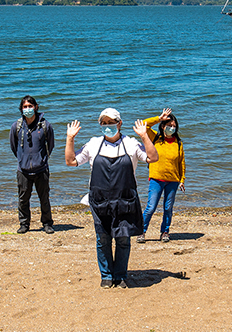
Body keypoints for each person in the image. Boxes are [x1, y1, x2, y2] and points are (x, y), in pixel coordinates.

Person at [65, 108, 158, 288]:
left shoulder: (131, 144)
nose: (108, 126)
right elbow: (71, 161)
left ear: (120, 123)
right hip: (100, 201)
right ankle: (106, 275)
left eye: (111, 122)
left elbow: (153, 158)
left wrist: (144, 136)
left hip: (125, 200)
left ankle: (121, 275)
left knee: (123, 238)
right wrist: (70, 138)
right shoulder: (93, 144)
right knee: (103, 238)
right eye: (104, 123)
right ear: (100, 124)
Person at [9, 95, 55, 234]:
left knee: (44, 198)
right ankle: (24, 224)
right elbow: (13, 146)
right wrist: (22, 160)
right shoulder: (16, 126)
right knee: (23, 199)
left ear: (35, 107)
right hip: (23, 171)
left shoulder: (45, 125)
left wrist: (41, 160)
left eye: (30, 106)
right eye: (25, 107)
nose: (28, 109)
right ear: (21, 109)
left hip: (41, 169)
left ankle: (47, 223)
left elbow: (50, 146)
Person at [138, 108, 186, 243]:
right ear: (163, 126)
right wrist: (159, 118)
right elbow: (143, 124)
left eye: (174, 126)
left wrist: (182, 180)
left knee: (168, 208)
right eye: (169, 125)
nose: (171, 128)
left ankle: (165, 232)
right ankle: (141, 231)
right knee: (151, 207)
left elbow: (181, 163)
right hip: (156, 179)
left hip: (173, 181)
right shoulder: (155, 138)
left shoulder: (178, 143)